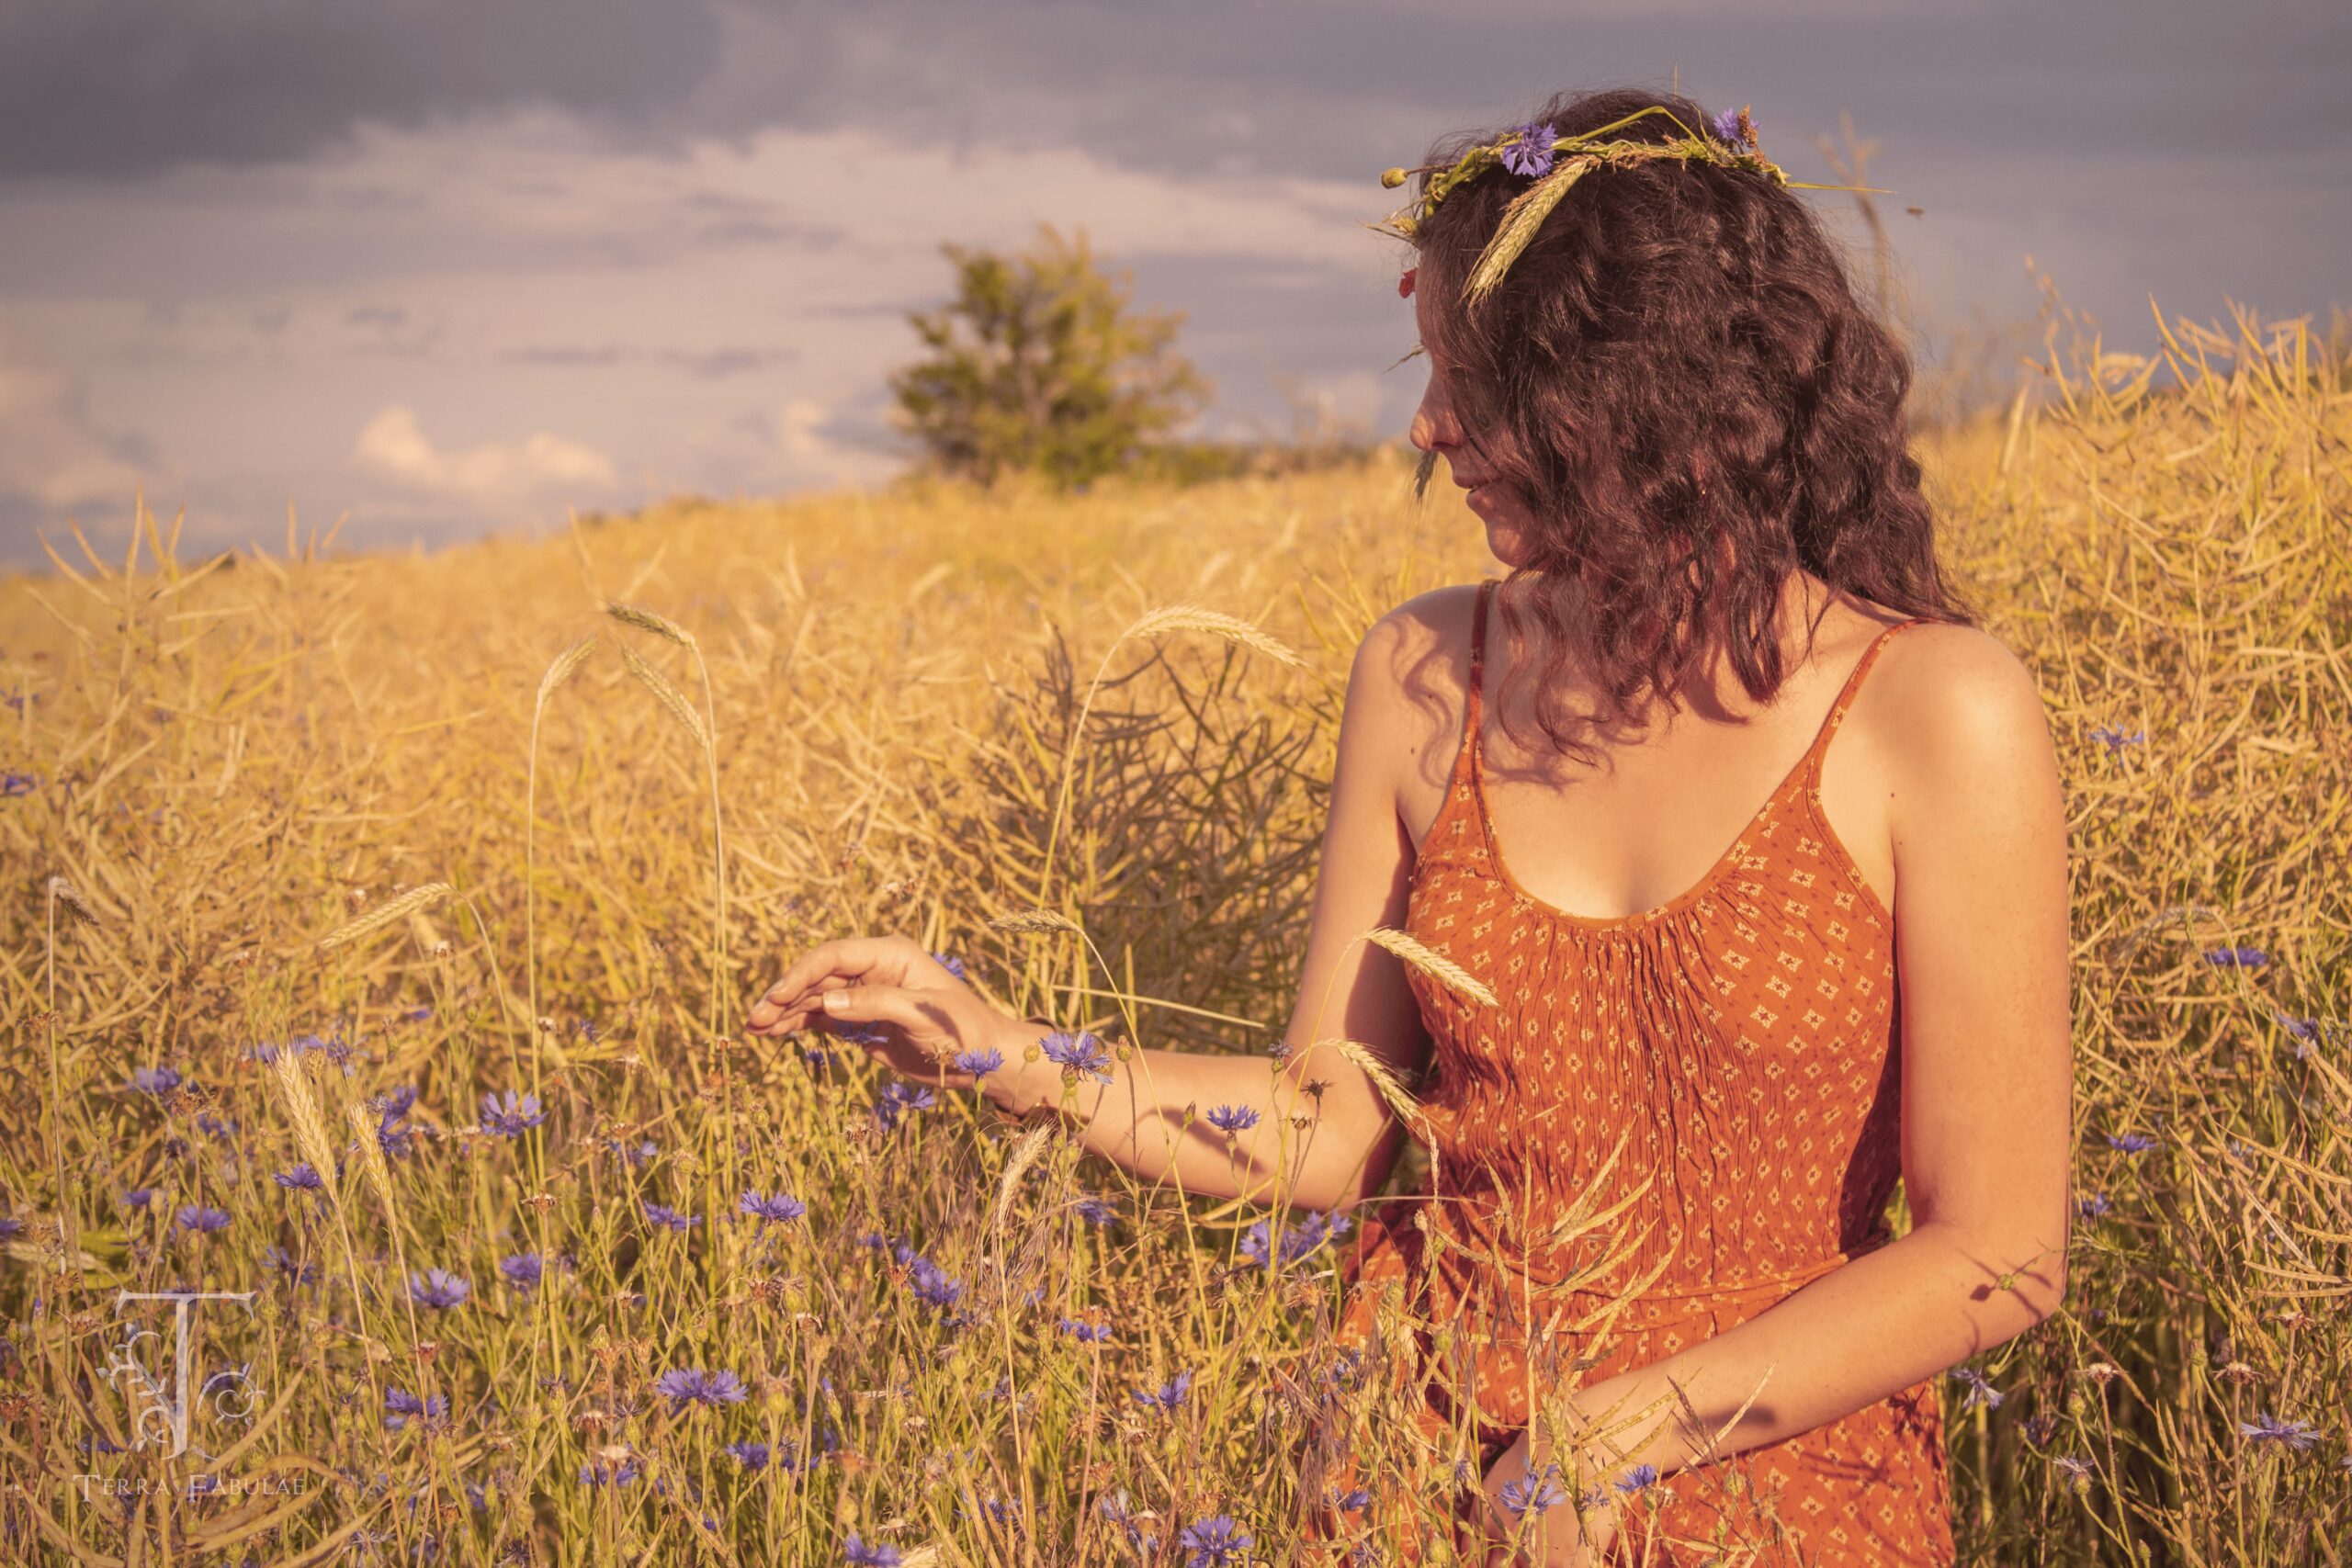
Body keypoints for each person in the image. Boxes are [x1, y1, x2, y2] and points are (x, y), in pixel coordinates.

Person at [744, 85, 2072, 1567]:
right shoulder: (1427, 673)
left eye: (1478, 383)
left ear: (1652, 388)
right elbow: (1328, 1130)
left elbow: (1997, 1250)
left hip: (1788, 1498)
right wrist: (1011, 1056)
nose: (1432, 428)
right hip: (1406, 1490)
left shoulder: (1936, 709)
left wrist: (1616, 1436)